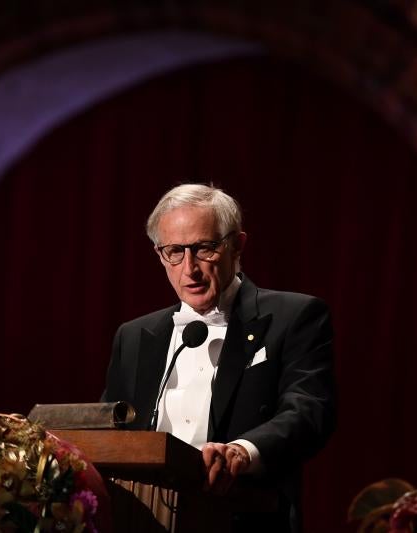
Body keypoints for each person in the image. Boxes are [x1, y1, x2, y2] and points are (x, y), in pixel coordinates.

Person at [101, 183, 336, 532]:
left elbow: (308, 410)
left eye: (204, 249)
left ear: (237, 246)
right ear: (159, 254)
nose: (189, 268)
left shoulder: (294, 316)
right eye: (174, 252)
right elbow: (111, 431)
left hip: (245, 519)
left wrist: (243, 451)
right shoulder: (134, 336)